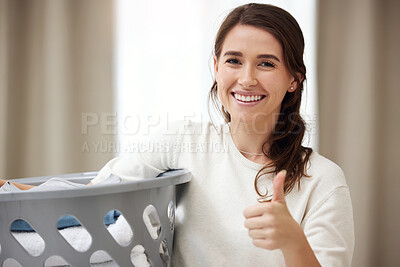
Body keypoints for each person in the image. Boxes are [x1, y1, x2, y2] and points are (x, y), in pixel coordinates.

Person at [1, 3, 354, 266]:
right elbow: (94, 202)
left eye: (266, 63)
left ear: (294, 79)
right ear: (215, 67)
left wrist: (293, 242)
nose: (247, 78)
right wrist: (10, 189)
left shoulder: (323, 181)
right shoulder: (182, 142)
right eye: (233, 61)